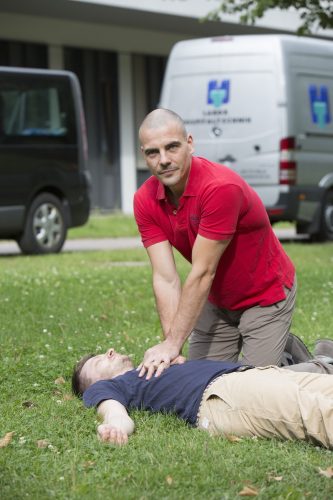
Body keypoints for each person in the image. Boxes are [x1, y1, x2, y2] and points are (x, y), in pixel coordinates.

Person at [134, 109, 296, 379]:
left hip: (264, 295)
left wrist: (173, 343)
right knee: (199, 384)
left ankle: (310, 361)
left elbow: (202, 272)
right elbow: (165, 278)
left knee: (253, 389)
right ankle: (278, 354)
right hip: (216, 299)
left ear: (190, 143)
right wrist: (172, 346)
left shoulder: (219, 188)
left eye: (172, 147)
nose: (163, 160)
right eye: (153, 152)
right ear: (144, 155)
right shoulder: (145, 199)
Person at [72, 347, 333, 449]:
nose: (109, 351)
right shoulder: (107, 388)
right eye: (97, 361)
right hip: (223, 397)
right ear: (94, 384)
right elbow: (114, 411)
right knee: (316, 411)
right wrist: (115, 428)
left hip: (249, 376)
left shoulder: (149, 367)